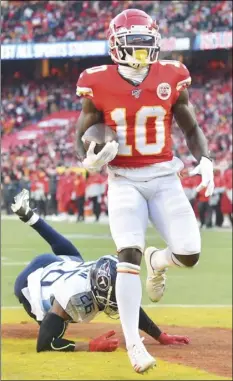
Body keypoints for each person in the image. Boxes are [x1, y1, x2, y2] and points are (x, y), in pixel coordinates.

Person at [75, 9, 214, 373]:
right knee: (128, 254)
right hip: (123, 179)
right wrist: (87, 158)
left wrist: (206, 159)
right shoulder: (97, 81)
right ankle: (134, 345)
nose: (140, 54)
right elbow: (81, 136)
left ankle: (158, 261)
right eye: (132, 46)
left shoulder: (172, 75)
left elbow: (190, 124)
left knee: (189, 253)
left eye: (145, 46)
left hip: (165, 177)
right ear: (116, 46)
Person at [11, 189, 189, 354]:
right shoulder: (72, 297)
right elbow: (44, 344)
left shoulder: (101, 275)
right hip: (28, 284)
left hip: (56, 263)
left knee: (75, 258)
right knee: (57, 325)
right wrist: (90, 346)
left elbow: (126, 300)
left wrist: (160, 336)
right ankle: (30, 217)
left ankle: (30, 217)